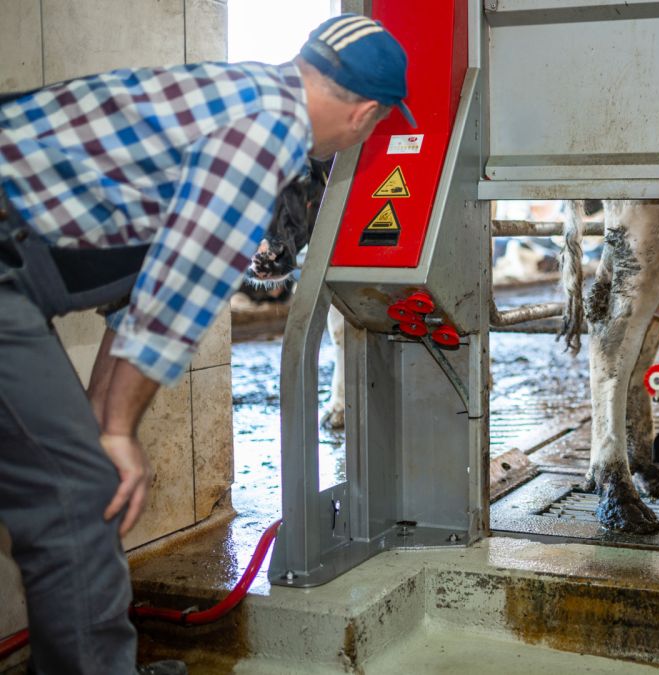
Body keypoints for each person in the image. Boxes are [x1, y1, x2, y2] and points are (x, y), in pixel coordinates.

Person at [0, 12, 414, 675]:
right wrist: (114, 434)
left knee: (85, 482)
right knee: (75, 496)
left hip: (21, 267)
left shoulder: (237, 92)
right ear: (365, 116)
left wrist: (108, 426)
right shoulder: (266, 136)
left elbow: (137, 297)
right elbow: (173, 298)